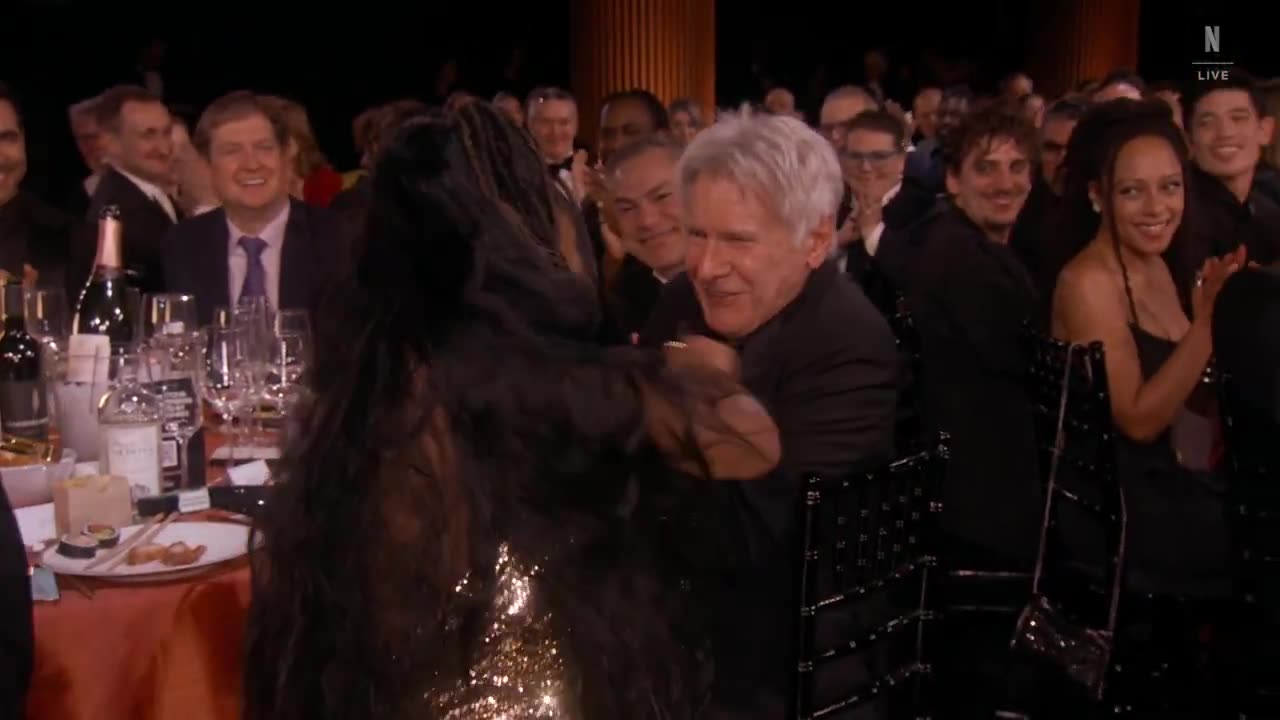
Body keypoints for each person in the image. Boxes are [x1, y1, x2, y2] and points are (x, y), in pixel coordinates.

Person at [243, 106, 781, 720]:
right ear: (516, 234)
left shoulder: (378, 376)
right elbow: (751, 437)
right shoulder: (525, 381)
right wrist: (690, 366)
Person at [1052, 98, 1235, 595]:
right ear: (1098, 196)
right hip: (1125, 514)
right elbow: (1137, 418)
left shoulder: (1159, 262)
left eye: (1170, 187)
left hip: (1176, 481)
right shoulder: (1088, 281)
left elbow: (1189, 406)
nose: (1158, 209)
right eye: (1133, 192)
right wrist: (1209, 324)